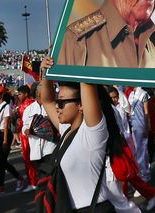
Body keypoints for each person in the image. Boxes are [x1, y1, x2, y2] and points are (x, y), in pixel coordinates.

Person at [37, 56, 118, 212]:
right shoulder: (65, 130)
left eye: (61, 102)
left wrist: (81, 54)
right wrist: (45, 73)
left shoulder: (93, 133)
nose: (57, 107)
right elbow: (46, 100)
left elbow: (87, 84)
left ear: (81, 105)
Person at [0, 85, 27, 193]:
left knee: (2, 161)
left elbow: (6, 124)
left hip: (3, 135)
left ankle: (18, 178)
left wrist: (5, 141)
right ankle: (2, 185)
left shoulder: (6, 106)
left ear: (2, 95)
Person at [22, 83, 58, 191]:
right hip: (36, 149)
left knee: (52, 176)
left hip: (50, 146)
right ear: (38, 93)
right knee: (41, 177)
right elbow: (24, 126)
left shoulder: (54, 106)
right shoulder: (29, 109)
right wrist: (26, 130)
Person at [16, 85, 38, 189]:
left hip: (27, 135)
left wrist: (19, 125)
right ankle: (32, 181)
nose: (18, 96)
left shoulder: (28, 104)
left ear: (26, 94)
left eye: (20, 94)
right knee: (29, 159)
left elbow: (25, 122)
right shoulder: (25, 104)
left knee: (29, 159)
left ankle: (33, 182)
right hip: (25, 134)